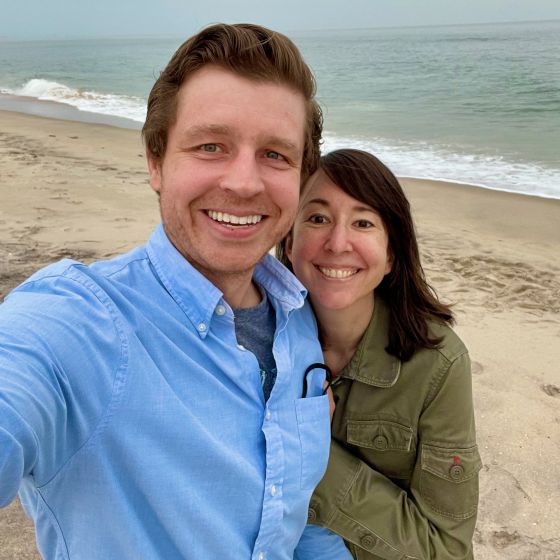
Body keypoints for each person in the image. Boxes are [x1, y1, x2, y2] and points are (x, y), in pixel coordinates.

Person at [0, 24, 351, 559]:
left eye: (276, 155)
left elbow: (287, 518)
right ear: (156, 161)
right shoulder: (82, 322)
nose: (244, 182)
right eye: (211, 146)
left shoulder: (298, 317)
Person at [280, 148, 482, 559]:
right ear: (288, 240)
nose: (338, 243)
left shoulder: (438, 364)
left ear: (391, 254)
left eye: (363, 223)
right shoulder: (253, 336)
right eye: (317, 218)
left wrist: (311, 449)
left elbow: (446, 550)